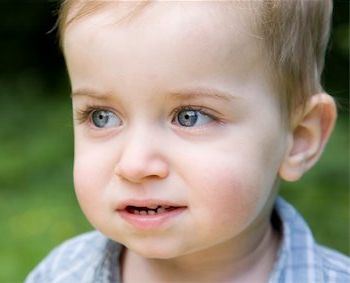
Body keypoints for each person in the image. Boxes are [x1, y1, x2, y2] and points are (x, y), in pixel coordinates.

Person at [26, 1, 350, 282]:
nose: (135, 165)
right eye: (102, 116)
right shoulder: (61, 273)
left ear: (298, 138)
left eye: (190, 116)